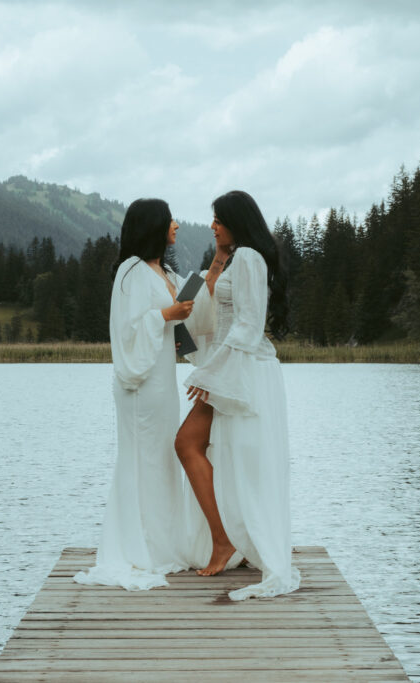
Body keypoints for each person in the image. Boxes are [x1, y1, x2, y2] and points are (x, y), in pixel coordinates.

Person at [74, 198, 225, 590]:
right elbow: (128, 329)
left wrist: (208, 277)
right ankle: (139, 547)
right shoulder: (130, 271)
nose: (175, 225)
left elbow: (181, 320)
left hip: (161, 382)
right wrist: (165, 316)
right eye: (169, 220)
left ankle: (163, 543)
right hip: (138, 387)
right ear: (153, 227)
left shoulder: (166, 271)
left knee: (161, 461)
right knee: (142, 461)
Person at [176, 190, 300, 600]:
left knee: (201, 446)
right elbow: (214, 310)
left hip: (242, 372)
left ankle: (228, 540)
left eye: (217, 219)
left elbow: (248, 326)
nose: (212, 225)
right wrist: (215, 259)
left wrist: (210, 373)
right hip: (230, 370)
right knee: (234, 457)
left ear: (236, 221)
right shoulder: (234, 258)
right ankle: (236, 540)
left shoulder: (248, 258)